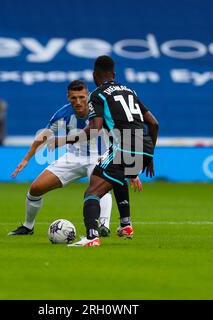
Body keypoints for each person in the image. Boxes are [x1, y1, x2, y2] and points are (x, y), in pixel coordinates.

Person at [8, 80, 142, 237]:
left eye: (81, 97)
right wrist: (26, 159)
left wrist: (131, 169)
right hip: (72, 158)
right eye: (73, 98)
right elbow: (44, 135)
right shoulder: (63, 114)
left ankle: (103, 225)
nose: (78, 102)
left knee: (100, 187)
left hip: (100, 157)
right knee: (36, 189)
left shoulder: (102, 109)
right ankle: (28, 226)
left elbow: (122, 135)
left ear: (88, 95)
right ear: (68, 97)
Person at [68, 56, 159, 247]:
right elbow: (153, 122)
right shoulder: (129, 91)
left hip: (124, 146)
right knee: (117, 177)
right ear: (114, 74)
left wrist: (69, 138)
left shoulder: (98, 94)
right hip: (146, 145)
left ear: (94, 75)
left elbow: (95, 128)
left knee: (92, 192)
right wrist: (149, 156)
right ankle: (126, 225)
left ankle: (92, 238)